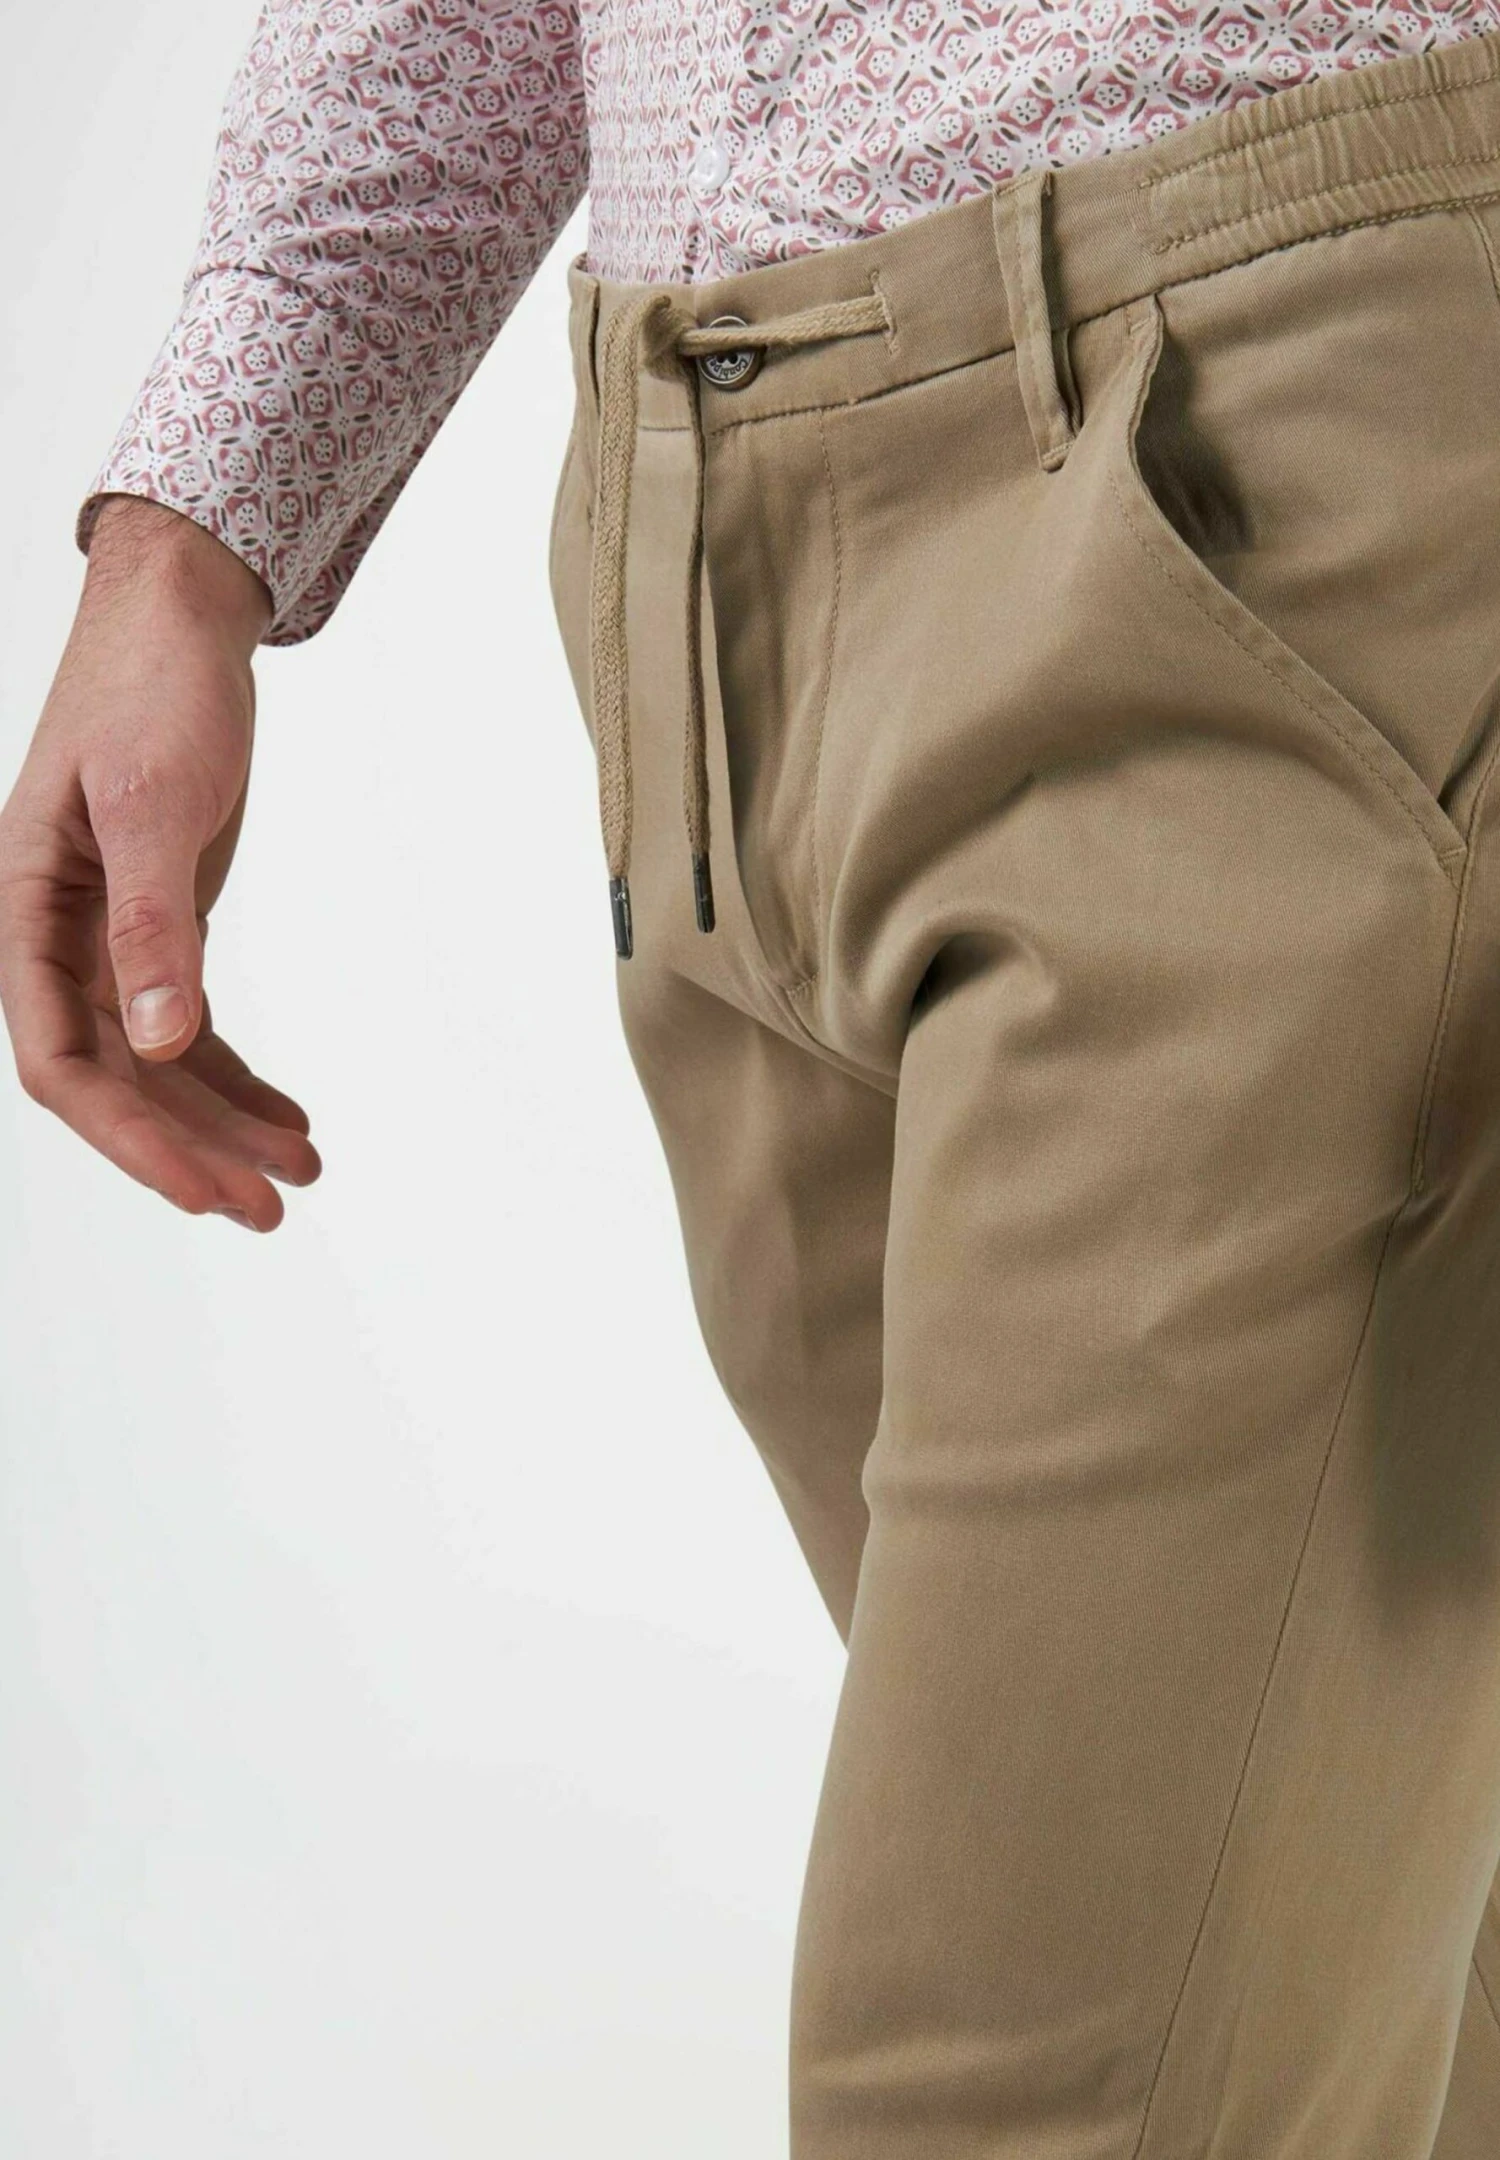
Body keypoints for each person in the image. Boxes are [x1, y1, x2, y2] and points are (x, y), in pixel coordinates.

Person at [5, 1, 1500, 2149]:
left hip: (1273, 426)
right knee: (1355, 1955)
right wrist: (190, 530)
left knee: (1028, 2074)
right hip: (689, 574)